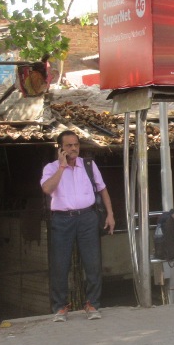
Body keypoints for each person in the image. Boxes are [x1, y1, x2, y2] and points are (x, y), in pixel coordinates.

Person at [41, 130, 114, 322]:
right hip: (62, 219)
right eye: (69, 145)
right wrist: (62, 167)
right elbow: (47, 189)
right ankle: (60, 308)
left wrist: (110, 214)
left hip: (87, 217)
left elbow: (103, 189)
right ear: (61, 148)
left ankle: (92, 304)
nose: (74, 148)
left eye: (76, 145)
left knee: (92, 262)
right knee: (60, 263)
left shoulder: (88, 165)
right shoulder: (51, 168)